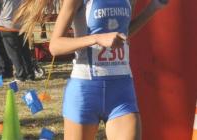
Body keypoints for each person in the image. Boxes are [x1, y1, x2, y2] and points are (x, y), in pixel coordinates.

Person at [14, 0, 168, 139]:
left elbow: (124, 33)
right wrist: (96, 38)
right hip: (85, 90)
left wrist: (153, 8)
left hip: (121, 90)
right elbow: (55, 45)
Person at [0, 0, 35, 81]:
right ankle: (30, 74)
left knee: (13, 53)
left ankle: (20, 75)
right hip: (22, 24)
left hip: (8, 25)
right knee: (24, 50)